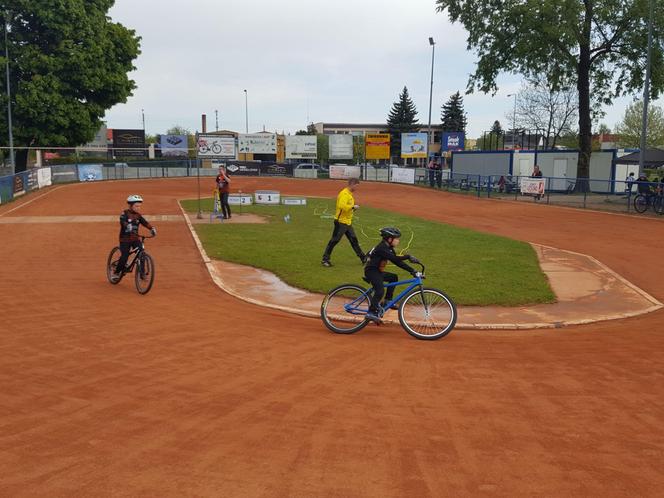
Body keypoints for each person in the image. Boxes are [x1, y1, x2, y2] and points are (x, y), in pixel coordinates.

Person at [364, 227, 419, 323]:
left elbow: (397, 261)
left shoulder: (388, 248)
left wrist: (412, 270)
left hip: (378, 271)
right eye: (396, 238)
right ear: (389, 239)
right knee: (380, 290)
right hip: (371, 272)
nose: (398, 241)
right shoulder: (382, 248)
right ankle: (371, 312)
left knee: (393, 277)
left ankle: (387, 301)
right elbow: (395, 259)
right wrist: (408, 256)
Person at [322, 178, 366, 267]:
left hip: (347, 222)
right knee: (334, 240)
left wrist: (353, 208)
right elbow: (342, 206)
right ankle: (325, 260)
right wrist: (353, 207)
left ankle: (363, 258)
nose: (357, 188)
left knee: (354, 240)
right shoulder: (344, 194)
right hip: (340, 222)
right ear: (352, 184)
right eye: (356, 186)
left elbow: (347, 208)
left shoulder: (349, 194)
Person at [113, 195, 156, 279]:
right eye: (136, 206)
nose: (138, 208)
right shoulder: (124, 213)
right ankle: (117, 272)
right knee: (124, 256)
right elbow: (122, 221)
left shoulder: (138, 216)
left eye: (139, 206)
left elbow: (145, 222)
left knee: (141, 253)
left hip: (135, 238)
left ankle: (142, 274)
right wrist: (127, 226)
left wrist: (152, 228)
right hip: (124, 239)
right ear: (130, 205)